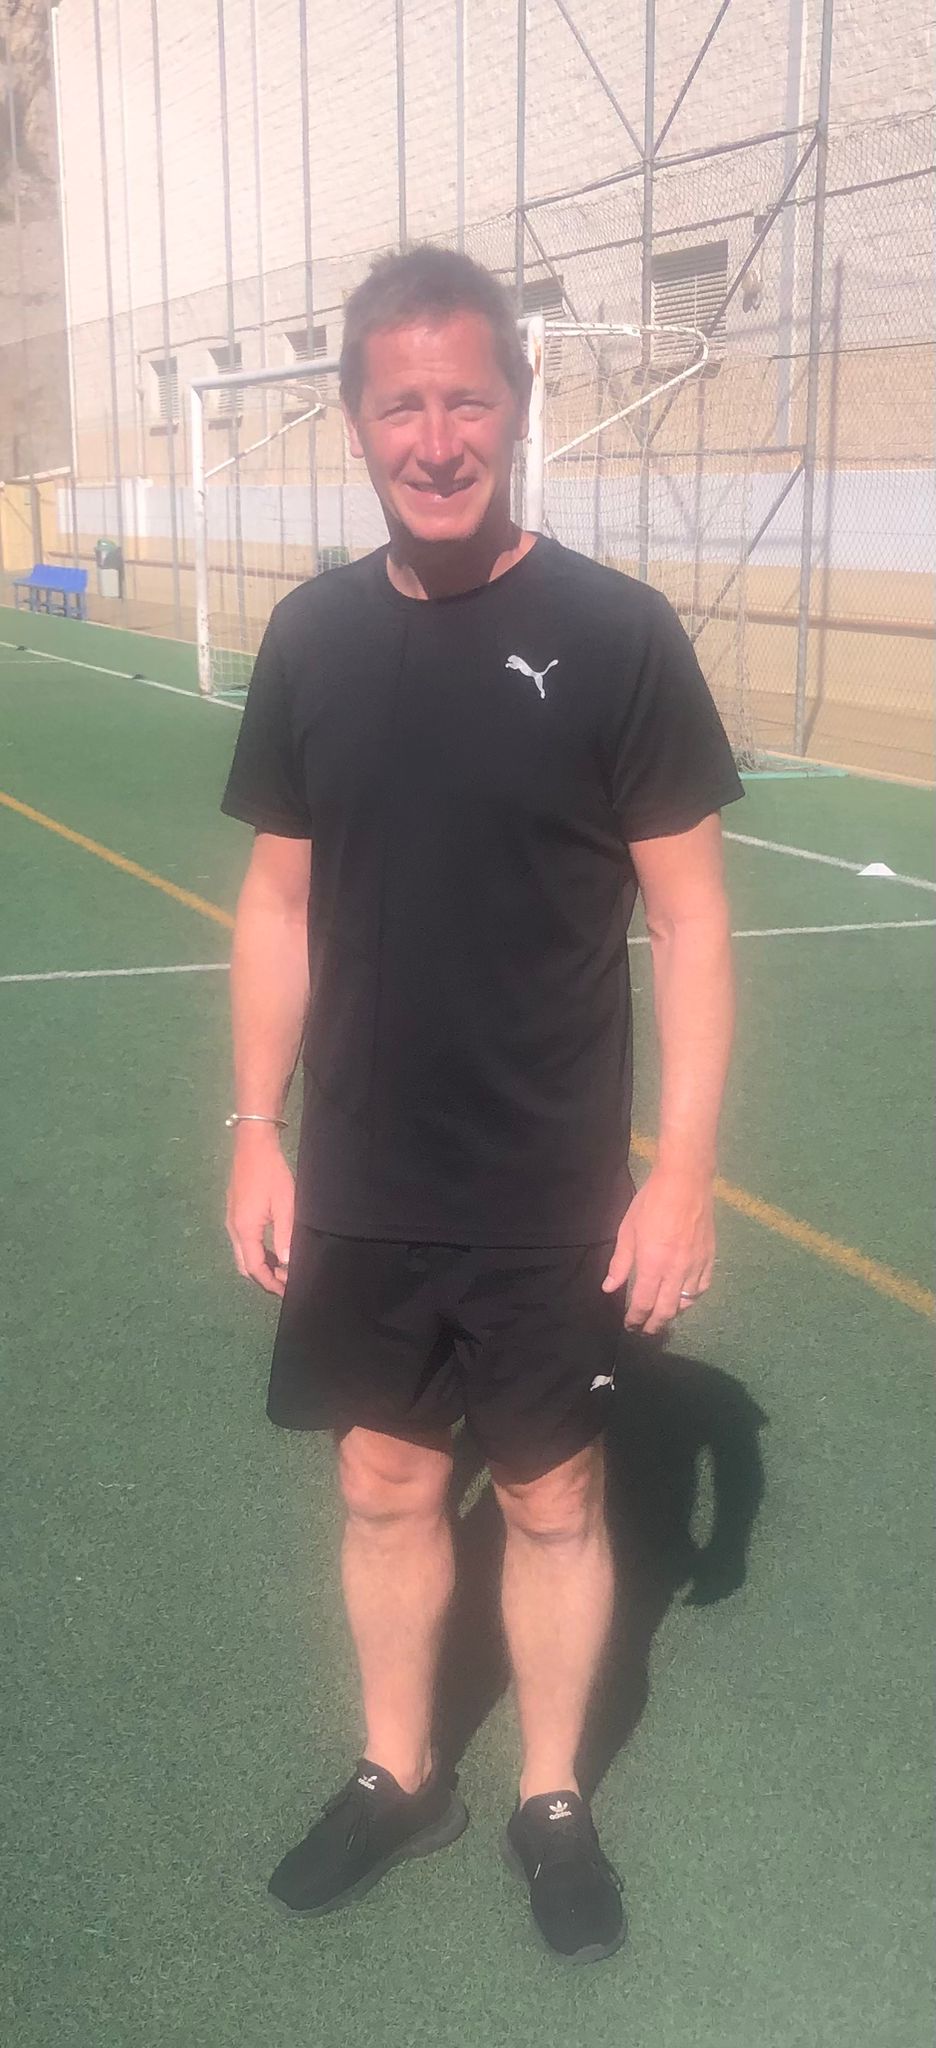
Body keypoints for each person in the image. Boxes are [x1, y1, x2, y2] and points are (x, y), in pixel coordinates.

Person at [220, 245, 743, 1964]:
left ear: (516, 407)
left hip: (547, 1185)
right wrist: (254, 1128)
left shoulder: (616, 634)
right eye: (401, 405)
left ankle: (551, 1796)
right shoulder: (309, 637)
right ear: (356, 421)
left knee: (551, 1498)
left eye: (465, 399)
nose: (434, 438)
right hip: (363, 1179)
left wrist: (682, 1172)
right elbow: (278, 905)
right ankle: (400, 1772)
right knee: (383, 1484)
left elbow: (692, 921)